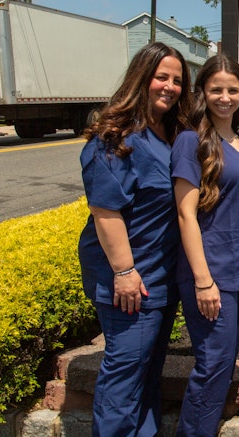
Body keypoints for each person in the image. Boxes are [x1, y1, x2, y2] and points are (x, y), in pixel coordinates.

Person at [78, 42, 192, 437]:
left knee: (147, 374)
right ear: (141, 79)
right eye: (162, 77)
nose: (170, 86)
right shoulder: (116, 136)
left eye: (177, 80)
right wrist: (125, 272)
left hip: (160, 277)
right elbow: (105, 211)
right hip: (130, 281)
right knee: (125, 376)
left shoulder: (172, 133)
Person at [171, 54, 239, 436]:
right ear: (203, 93)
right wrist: (202, 280)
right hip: (210, 271)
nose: (225, 97)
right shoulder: (191, 142)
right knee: (213, 364)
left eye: (233, 90)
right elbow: (185, 214)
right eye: (216, 89)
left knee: (223, 363)